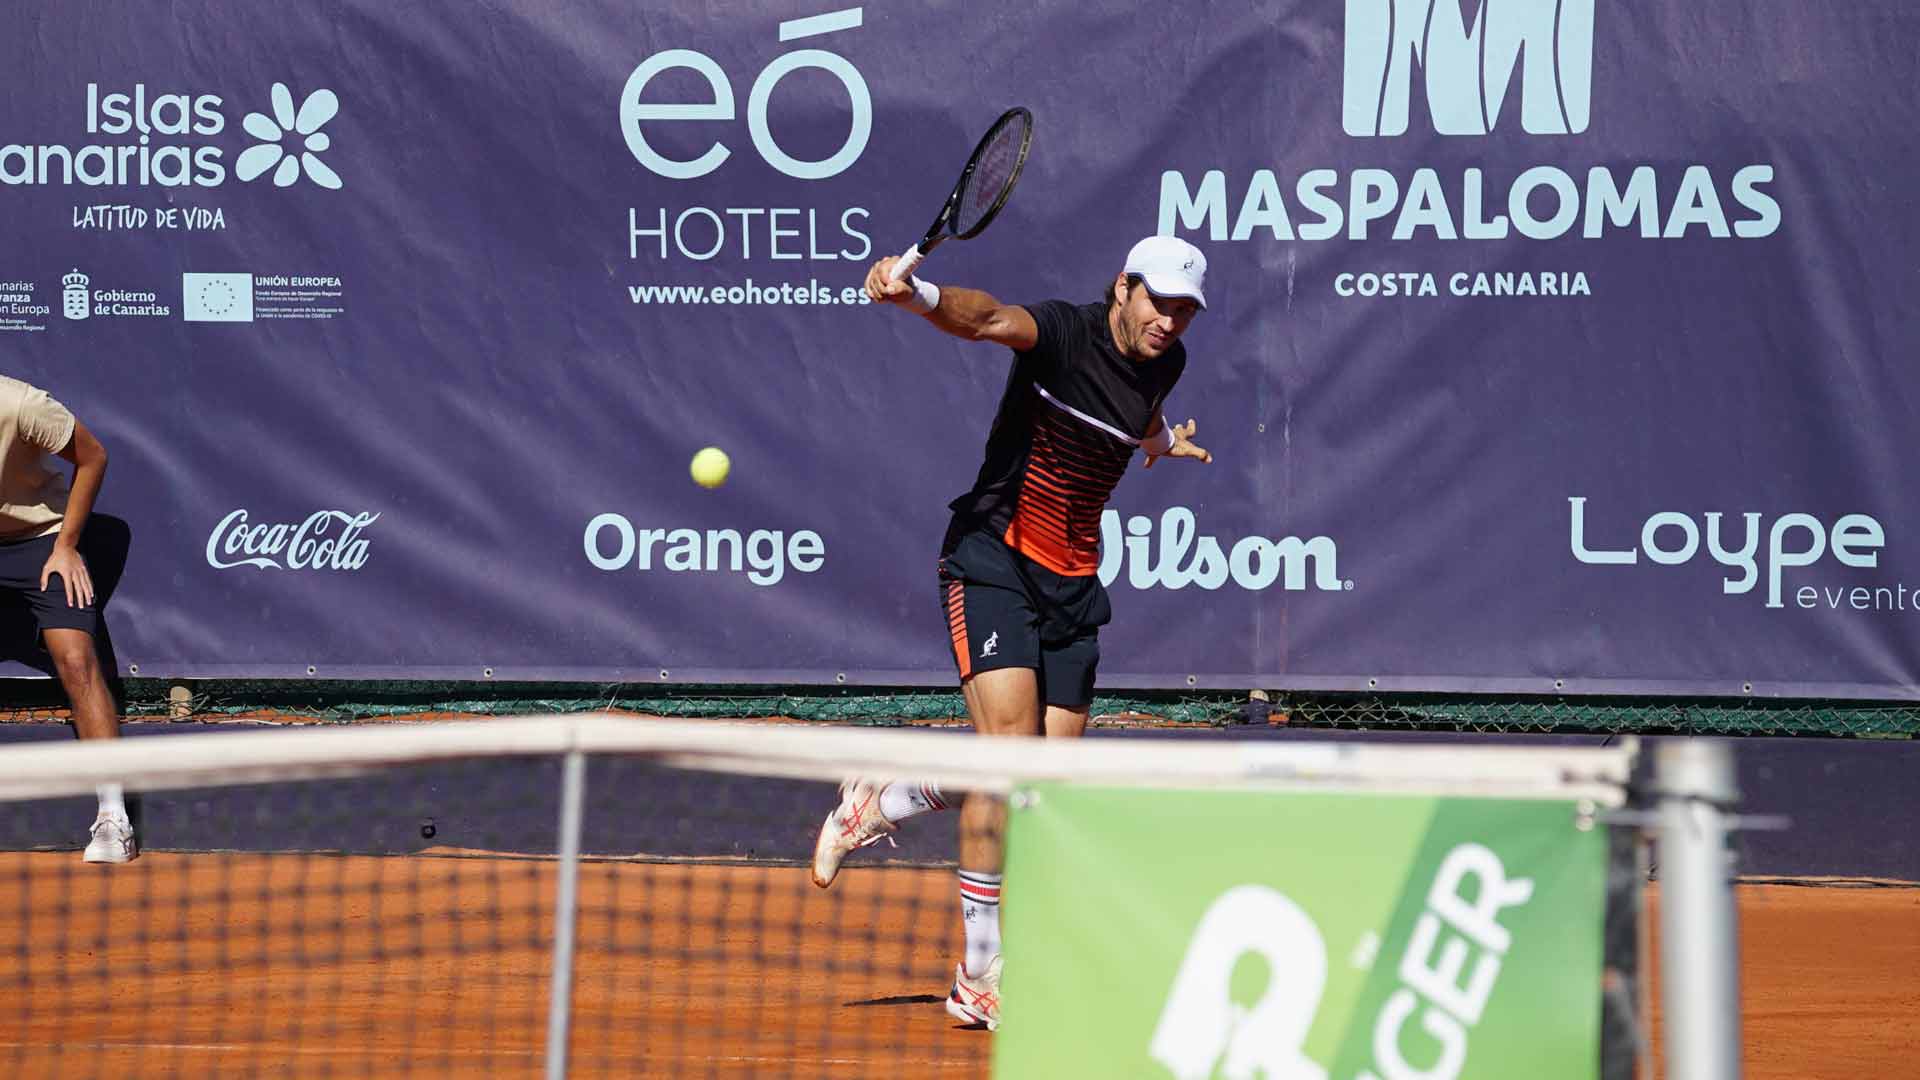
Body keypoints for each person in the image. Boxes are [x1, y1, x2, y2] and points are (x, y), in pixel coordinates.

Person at [809, 235, 1214, 1027]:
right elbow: (987, 320)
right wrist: (916, 297)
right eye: (1158, 300)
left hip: (1072, 583)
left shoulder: (1168, 362)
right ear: (1123, 287)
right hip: (995, 557)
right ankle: (980, 974)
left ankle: (882, 800)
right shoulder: (1063, 331)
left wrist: (1163, 442)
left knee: (1037, 788)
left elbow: (1139, 412)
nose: (1169, 320)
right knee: (1004, 763)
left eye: (1184, 309)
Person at [0, 375, 134, 863]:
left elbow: (93, 456)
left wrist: (66, 545)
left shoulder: (20, 403)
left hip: (41, 539)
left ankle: (114, 817)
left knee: (77, 662)